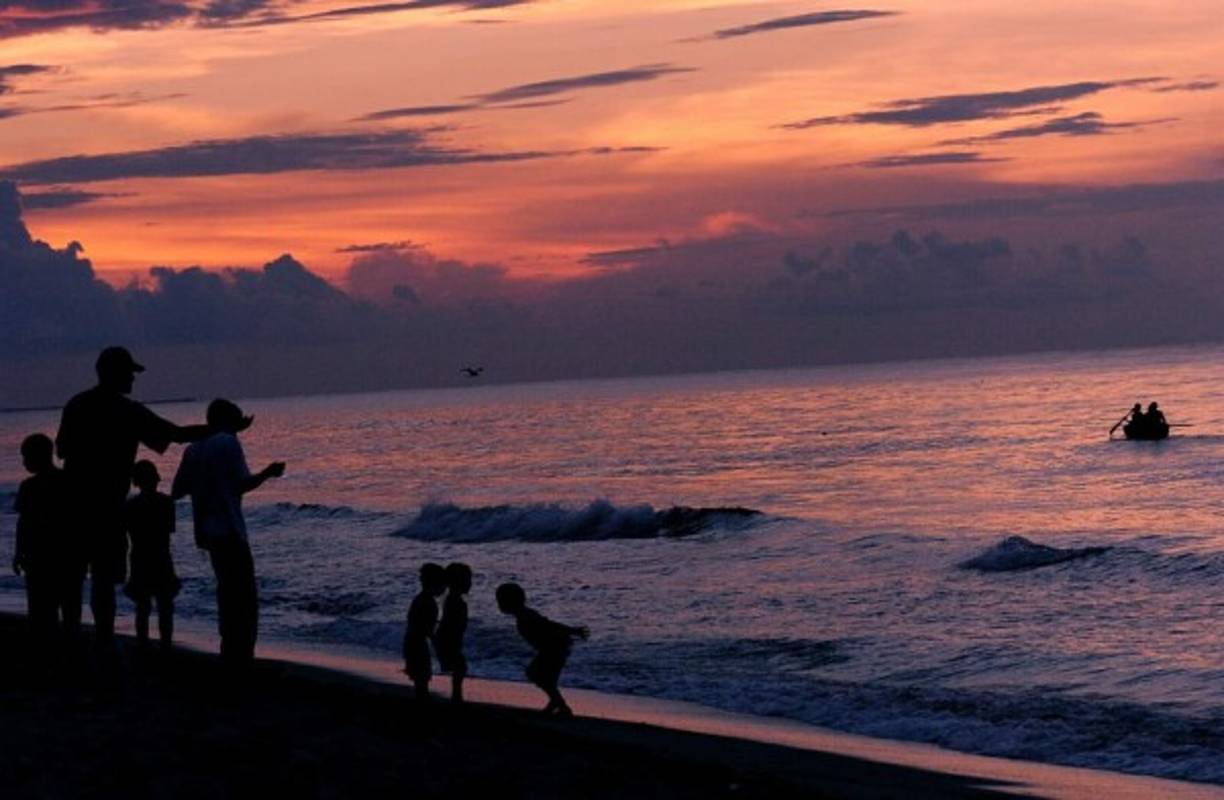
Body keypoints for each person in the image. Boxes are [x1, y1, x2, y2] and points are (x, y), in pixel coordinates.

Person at [56, 346, 222, 648]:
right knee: (102, 581)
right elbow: (176, 434)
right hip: (105, 510)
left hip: (72, 508)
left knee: (73, 580)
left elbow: (62, 450)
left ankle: (72, 641)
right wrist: (220, 429)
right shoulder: (128, 412)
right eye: (129, 373)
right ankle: (102, 640)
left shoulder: (77, 405)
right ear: (114, 374)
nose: (133, 378)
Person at [172, 398, 283, 669]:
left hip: (207, 533)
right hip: (230, 529)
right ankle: (243, 655)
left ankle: (228, 649)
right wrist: (268, 472)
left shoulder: (193, 449)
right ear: (228, 421)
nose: (236, 432)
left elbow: (177, 491)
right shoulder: (228, 443)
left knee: (226, 590)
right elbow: (242, 484)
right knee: (244, 595)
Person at [12, 433, 78, 652]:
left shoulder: (29, 487)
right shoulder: (68, 481)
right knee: (69, 611)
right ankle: (68, 655)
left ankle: (47, 658)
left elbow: (24, 523)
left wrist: (19, 552)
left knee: (41, 613)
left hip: (39, 558)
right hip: (67, 557)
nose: (23, 462)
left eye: (25, 457)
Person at [495, 582, 588, 717]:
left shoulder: (526, 616)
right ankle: (558, 704)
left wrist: (572, 630)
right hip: (551, 648)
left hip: (555, 647)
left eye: (501, 600)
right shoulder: (523, 615)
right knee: (545, 679)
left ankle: (560, 704)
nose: (499, 604)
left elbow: (549, 625)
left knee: (535, 674)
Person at [124, 460, 181, 651]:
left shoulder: (130, 506)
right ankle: (166, 646)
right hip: (161, 556)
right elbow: (169, 530)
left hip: (140, 557)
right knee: (165, 606)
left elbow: (128, 532)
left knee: (142, 607)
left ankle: (143, 645)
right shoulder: (166, 503)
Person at [403, 562, 446, 702]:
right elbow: (428, 631)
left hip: (411, 642)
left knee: (420, 678)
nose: (444, 588)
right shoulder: (429, 603)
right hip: (417, 645)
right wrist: (439, 650)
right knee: (422, 677)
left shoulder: (420, 599)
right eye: (442, 584)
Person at [435, 562, 472, 704]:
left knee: (459, 666)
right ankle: (457, 696)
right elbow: (452, 624)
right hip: (448, 639)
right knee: (459, 666)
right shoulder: (456, 601)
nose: (470, 584)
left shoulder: (452, 599)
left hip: (447, 638)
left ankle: (457, 695)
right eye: (468, 580)